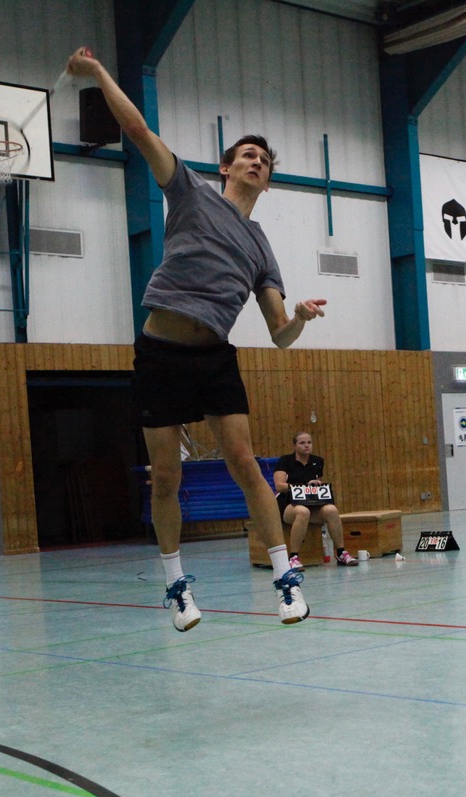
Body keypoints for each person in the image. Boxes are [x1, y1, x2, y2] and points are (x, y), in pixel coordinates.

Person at [67, 47, 328, 632]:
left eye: (264, 159)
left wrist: (302, 318)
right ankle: (176, 584)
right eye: (247, 155)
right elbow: (135, 128)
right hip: (160, 350)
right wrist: (100, 72)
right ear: (226, 168)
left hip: (213, 355)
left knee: (244, 462)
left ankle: (287, 579)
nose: (257, 162)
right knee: (166, 477)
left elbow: (279, 333)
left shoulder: (261, 248)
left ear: (268, 178)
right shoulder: (188, 191)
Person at [274, 431, 358, 568]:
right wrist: (302, 486)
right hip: (288, 503)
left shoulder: (318, 461)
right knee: (303, 512)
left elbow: (317, 486)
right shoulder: (285, 461)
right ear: (294, 446)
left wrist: (317, 485)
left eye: (309, 442)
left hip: (311, 502)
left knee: (331, 510)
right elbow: (279, 486)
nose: (306, 445)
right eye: (302, 443)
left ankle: (341, 553)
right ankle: (293, 557)